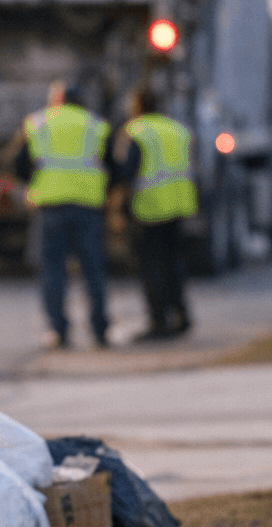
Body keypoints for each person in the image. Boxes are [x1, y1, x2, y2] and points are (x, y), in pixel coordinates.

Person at [13, 80, 120, 349]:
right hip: (88, 208)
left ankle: (59, 331)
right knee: (93, 271)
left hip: (50, 208)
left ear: (56, 100)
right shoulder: (96, 125)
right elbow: (113, 168)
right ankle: (100, 330)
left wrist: (35, 183)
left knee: (53, 272)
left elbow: (20, 165)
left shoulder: (38, 123)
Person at [115, 84, 198, 339]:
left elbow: (128, 173)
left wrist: (116, 209)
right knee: (174, 264)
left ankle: (158, 322)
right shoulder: (177, 129)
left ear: (138, 106)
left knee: (151, 268)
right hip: (178, 206)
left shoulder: (137, 131)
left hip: (149, 209)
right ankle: (181, 315)